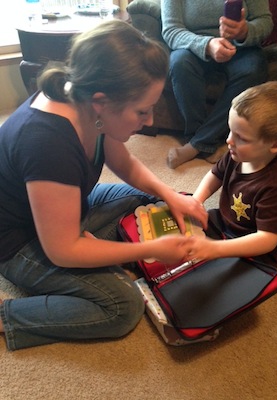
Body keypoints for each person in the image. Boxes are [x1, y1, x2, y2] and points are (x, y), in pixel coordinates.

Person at [0, 20, 207, 351]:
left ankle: (101, 250)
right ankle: (7, 315)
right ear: (101, 101)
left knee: (149, 202)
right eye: (143, 110)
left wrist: (169, 193)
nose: (151, 121)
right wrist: (151, 249)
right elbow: (63, 250)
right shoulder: (48, 143)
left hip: (67, 207)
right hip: (20, 243)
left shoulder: (87, 102)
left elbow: (124, 164)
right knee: (123, 307)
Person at [189, 81, 277, 267]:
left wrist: (214, 249)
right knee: (181, 238)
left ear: (275, 145)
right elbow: (214, 176)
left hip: (255, 251)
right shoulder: (236, 153)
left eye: (241, 137)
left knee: (213, 283)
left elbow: (267, 239)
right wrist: (196, 201)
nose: (229, 140)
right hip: (223, 222)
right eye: (231, 131)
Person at [161, 0, 274, 168]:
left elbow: (265, 21)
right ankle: (202, 139)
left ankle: (196, 144)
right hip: (193, 45)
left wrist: (245, 31)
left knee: (254, 70)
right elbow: (171, 30)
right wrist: (206, 45)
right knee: (179, 63)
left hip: (241, 48)